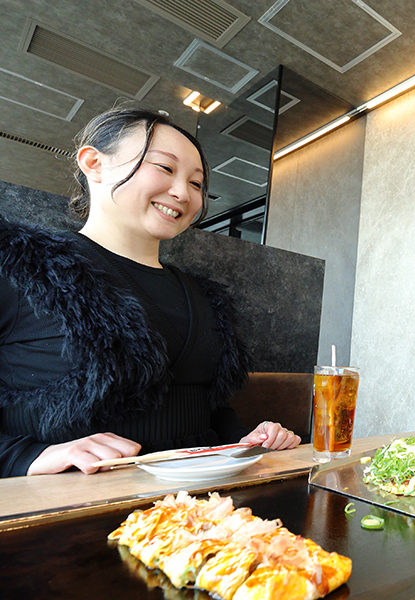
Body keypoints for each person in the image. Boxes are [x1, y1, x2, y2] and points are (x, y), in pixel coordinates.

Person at [0, 106, 300, 477]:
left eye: (196, 183)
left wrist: (245, 441)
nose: (182, 193)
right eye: (165, 168)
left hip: (197, 513)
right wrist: (27, 456)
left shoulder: (205, 297)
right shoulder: (22, 265)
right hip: (69, 515)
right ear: (93, 163)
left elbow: (207, 409)